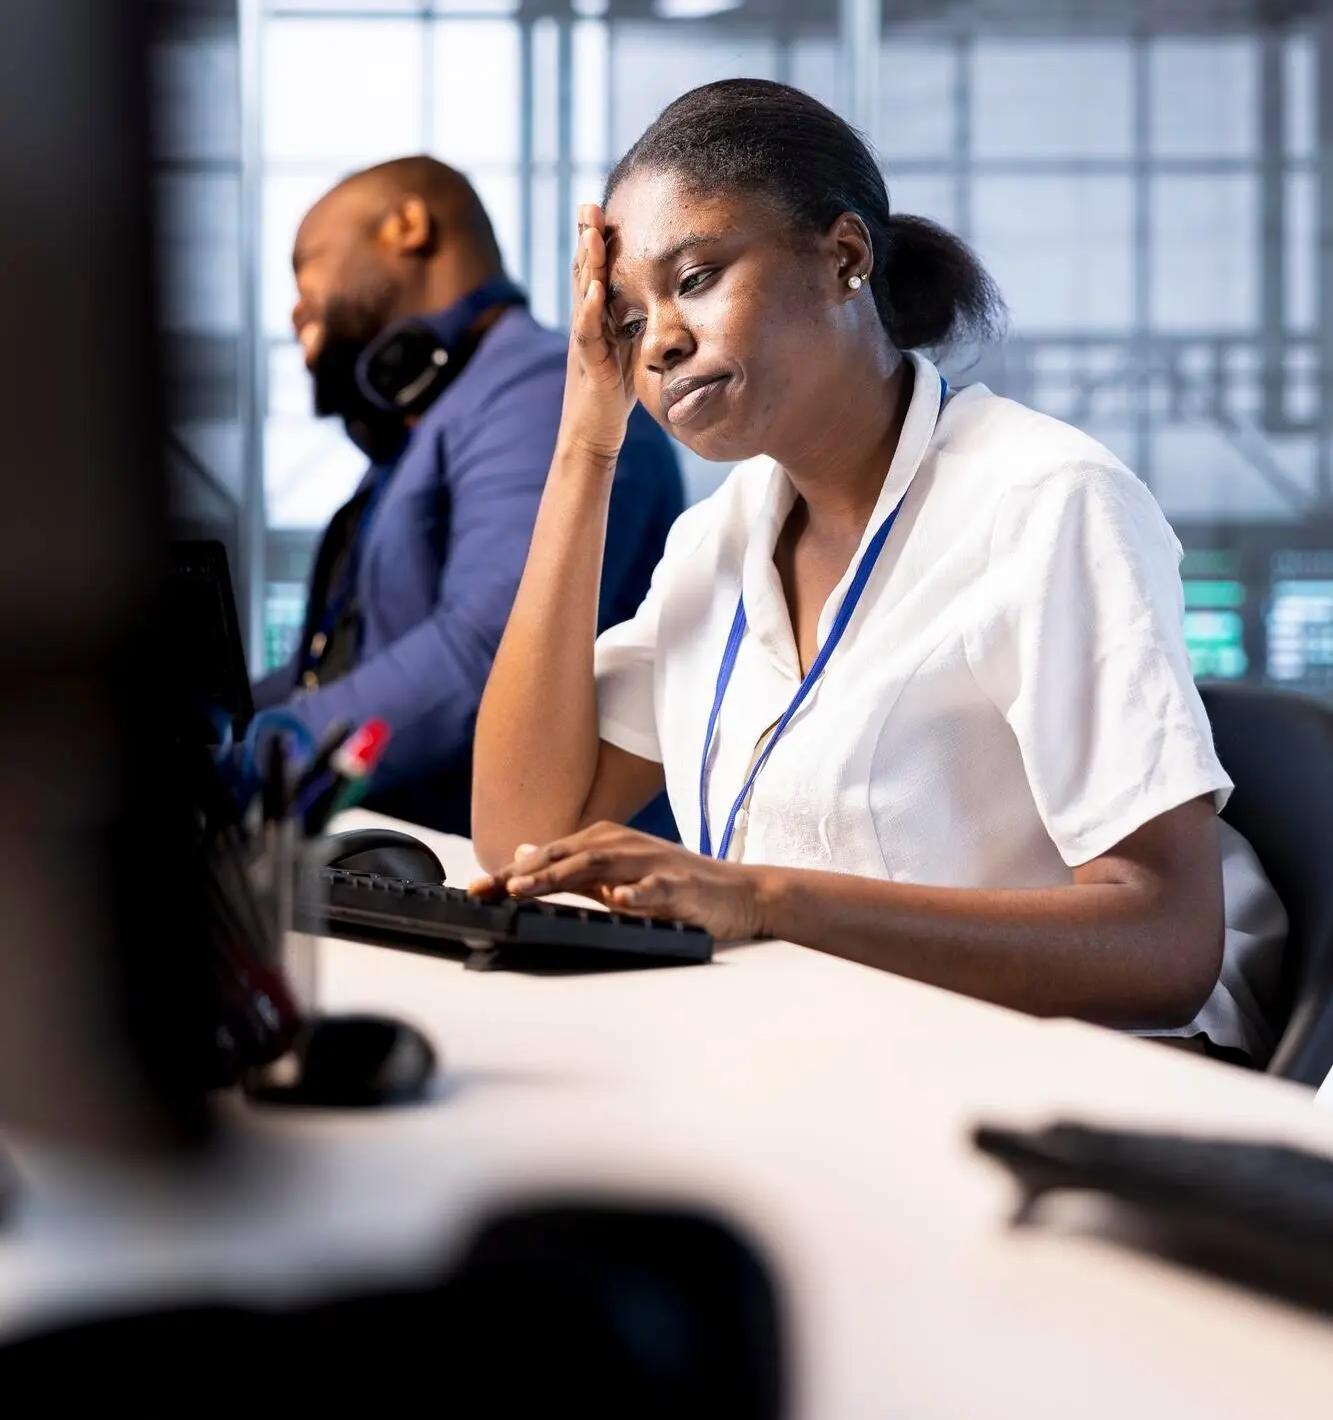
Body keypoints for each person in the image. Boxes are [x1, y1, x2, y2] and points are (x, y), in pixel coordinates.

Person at [471, 79, 1285, 1061]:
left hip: (1092, 1075)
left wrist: (764, 898)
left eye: (694, 279)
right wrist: (584, 442)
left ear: (845, 256)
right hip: (829, 1051)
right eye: (631, 320)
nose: (663, 342)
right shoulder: (717, 539)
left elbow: (1162, 942)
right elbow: (519, 834)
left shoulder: (1046, 499)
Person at [252, 154, 684, 835]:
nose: (296, 304)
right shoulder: (441, 420)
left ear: (406, 226)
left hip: (542, 884)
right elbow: (346, 664)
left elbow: (483, 650)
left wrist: (259, 750)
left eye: (307, 264)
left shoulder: (540, 391)